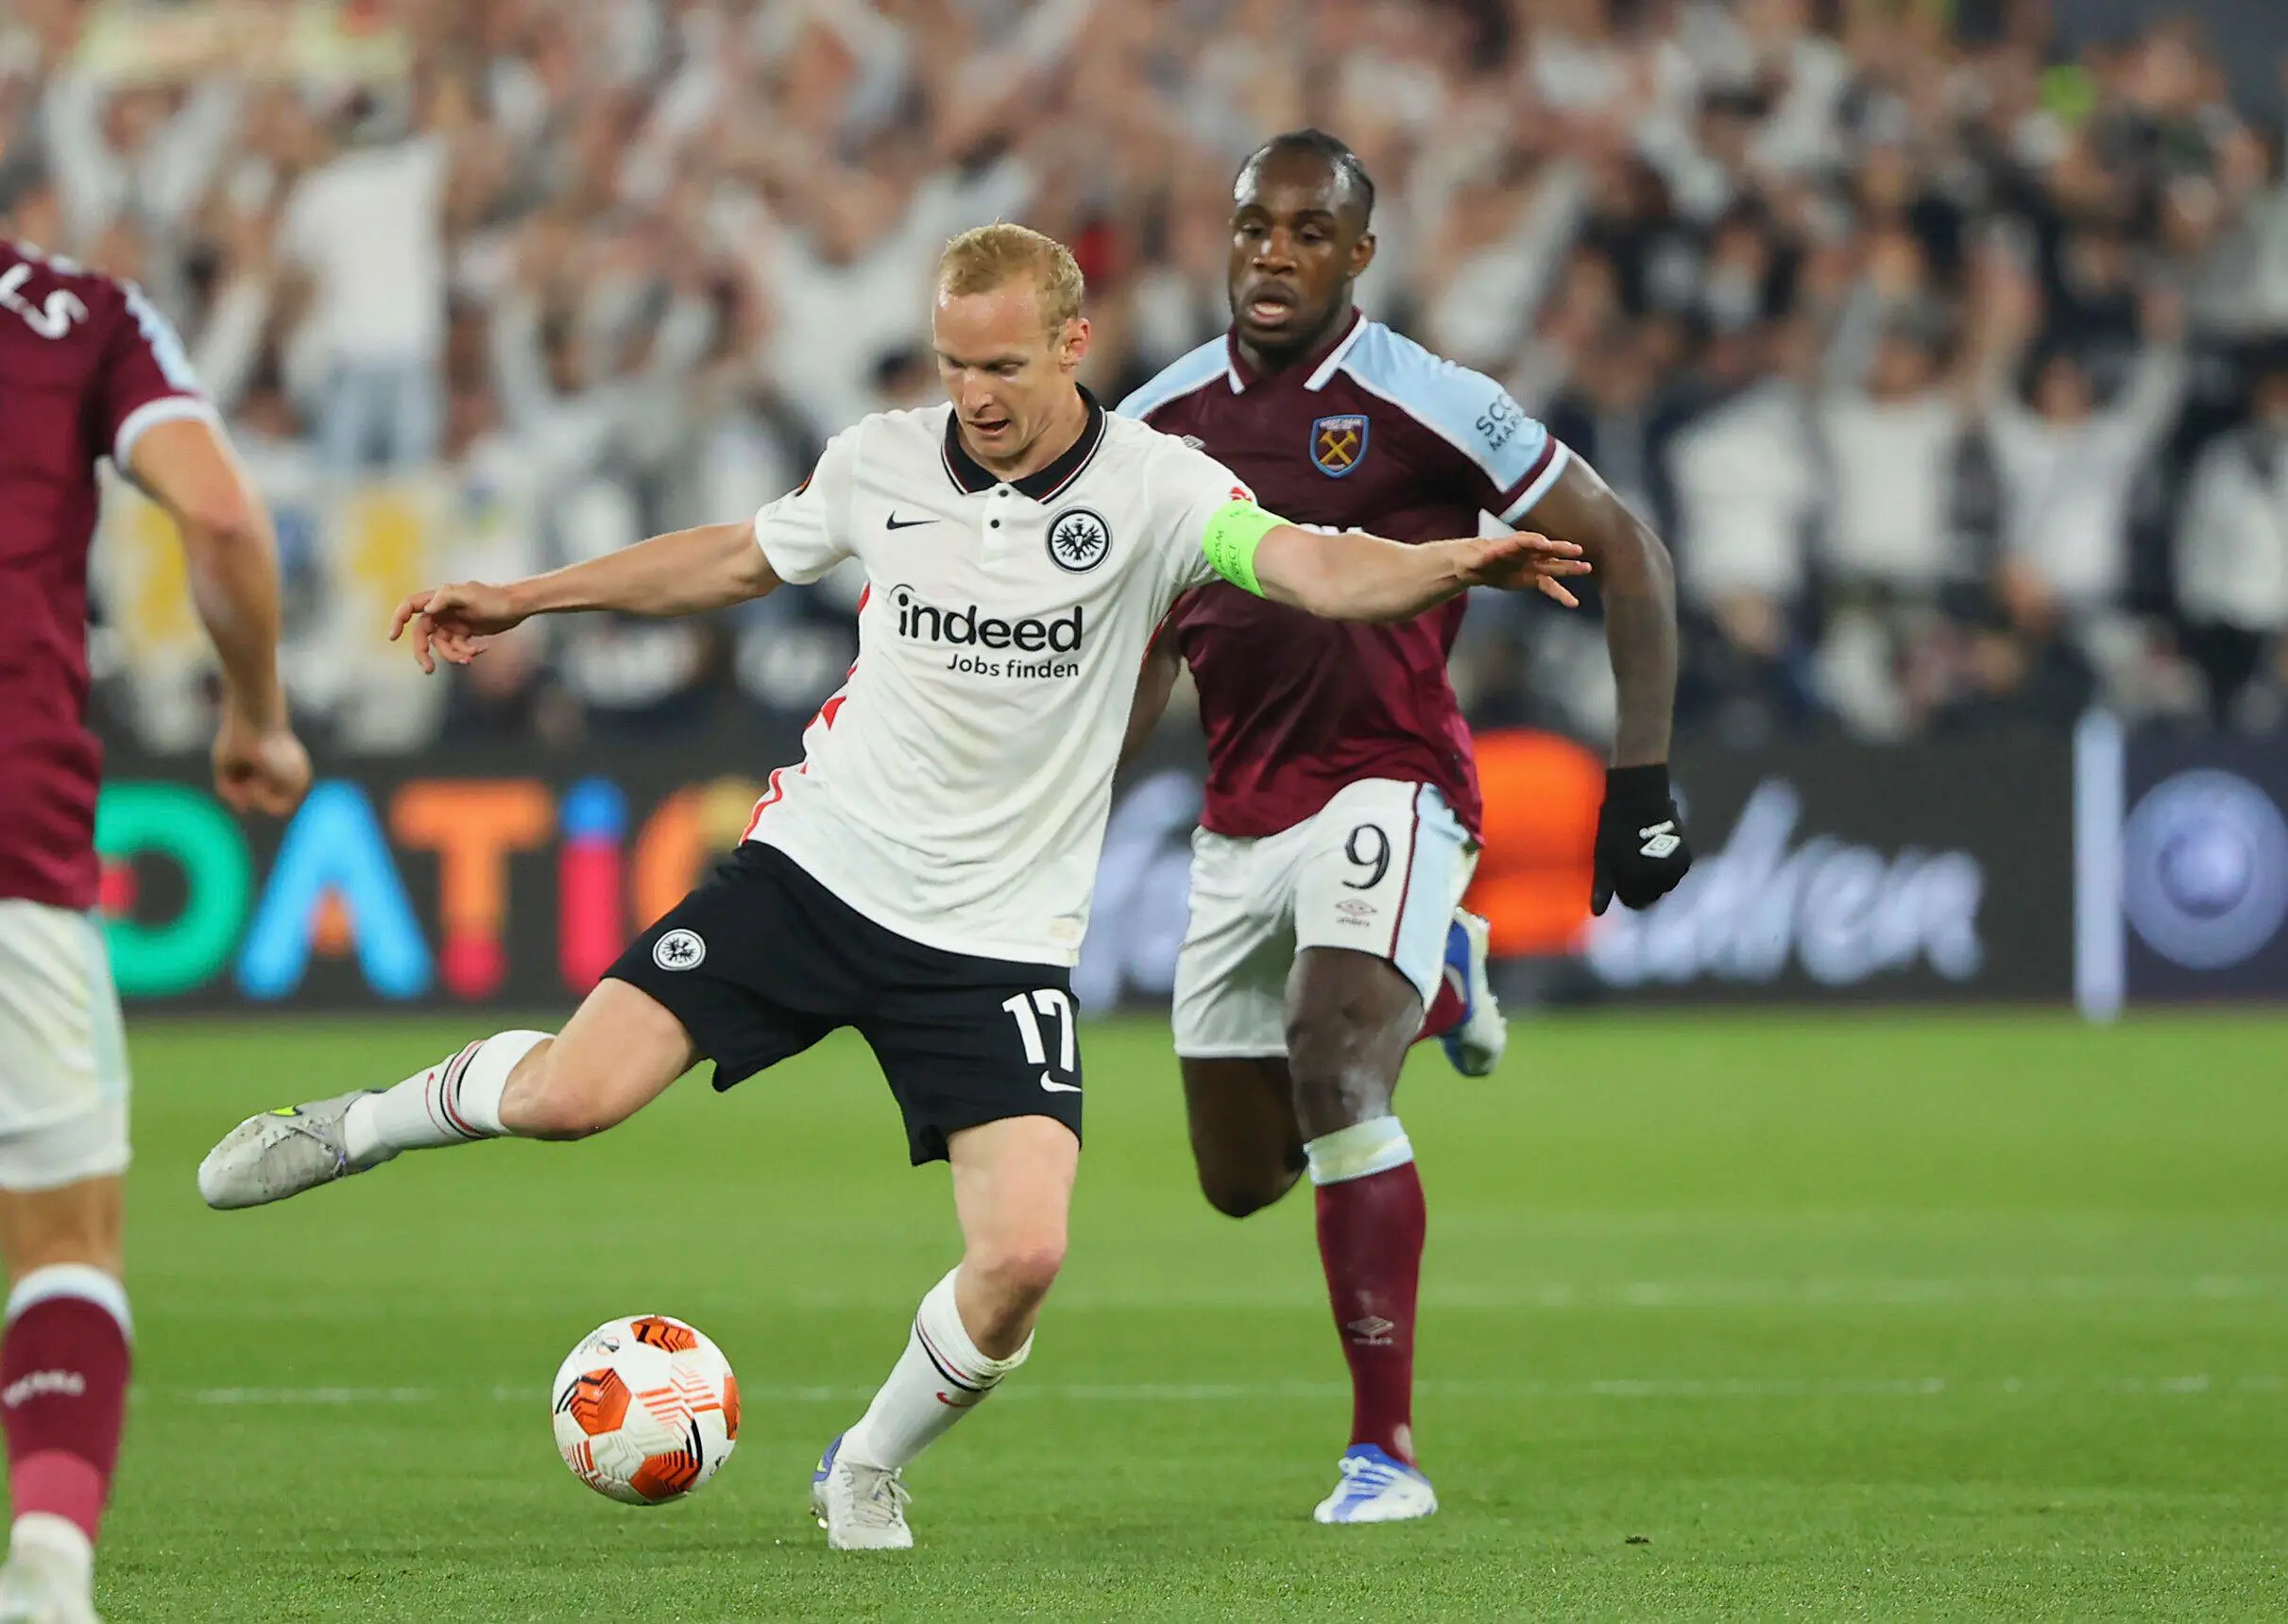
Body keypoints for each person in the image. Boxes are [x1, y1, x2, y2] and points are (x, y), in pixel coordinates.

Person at [196, 224, 1589, 1551]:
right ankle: (358, 1125)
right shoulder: (878, 461)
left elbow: (1309, 566)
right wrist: (527, 596)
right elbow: (736, 556)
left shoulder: (1161, 489)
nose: (973, 396)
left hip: (992, 943)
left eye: (1000, 366)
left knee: (1025, 1256)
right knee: (571, 1096)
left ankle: (863, 1464)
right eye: (952, 366)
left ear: (1070, 343)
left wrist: (1443, 563)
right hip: (817, 869)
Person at [1116, 130, 1694, 1525]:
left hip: (1390, 777)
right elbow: (1127, 641)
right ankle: (1441, 972)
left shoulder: (1428, 399)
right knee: (1239, 1177)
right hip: (1240, 819)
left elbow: (1624, 544)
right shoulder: (1149, 424)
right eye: (1255, 224)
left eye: (1309, 232)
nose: (1272, 252)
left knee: (1333, 1068)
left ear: (1358, 254)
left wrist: (1643, 778)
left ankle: (1386, 1453)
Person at [0, 231, 310, 1622]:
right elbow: (225, 518)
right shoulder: (81, 313)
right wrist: (255, 713)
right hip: (11, 823)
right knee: (64, 1235)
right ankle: (51, 1568)